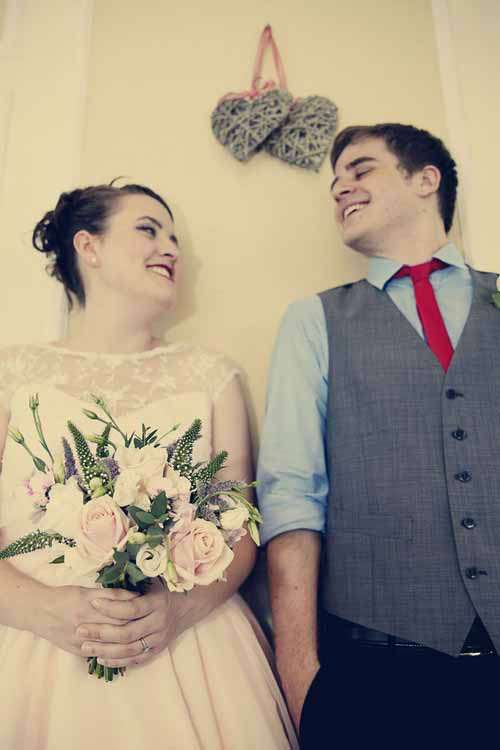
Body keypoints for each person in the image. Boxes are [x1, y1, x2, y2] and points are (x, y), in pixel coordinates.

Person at [0, 182, 298, 749]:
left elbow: (241, 531)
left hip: (190, 645)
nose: (171, 248)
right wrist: (48, 612)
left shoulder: (212, 376)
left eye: (175, 238)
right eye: (148, 229)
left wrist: (176, 613)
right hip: (33, 649)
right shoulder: (11, 375)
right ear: (88, 246)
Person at [258, 123, 500, 748]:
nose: (340, 187)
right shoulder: (314, 320)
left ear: (426, 180)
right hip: (376, 672)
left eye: (360, 169)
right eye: (334, 181)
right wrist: (300, 676)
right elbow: (291, 496)